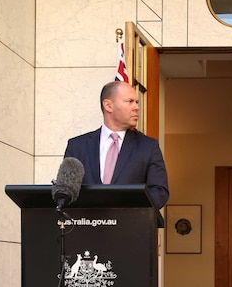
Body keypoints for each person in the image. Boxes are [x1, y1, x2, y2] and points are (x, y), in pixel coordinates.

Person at [64, 80, 170, 208]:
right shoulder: (77, 146)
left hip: (129, 225)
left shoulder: (148, 147)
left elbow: (159, 192)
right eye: (130, 101)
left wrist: (125, 209)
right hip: (85, 224)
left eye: (136, 102)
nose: (137, 107)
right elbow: (66, 191)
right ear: (108, 105)